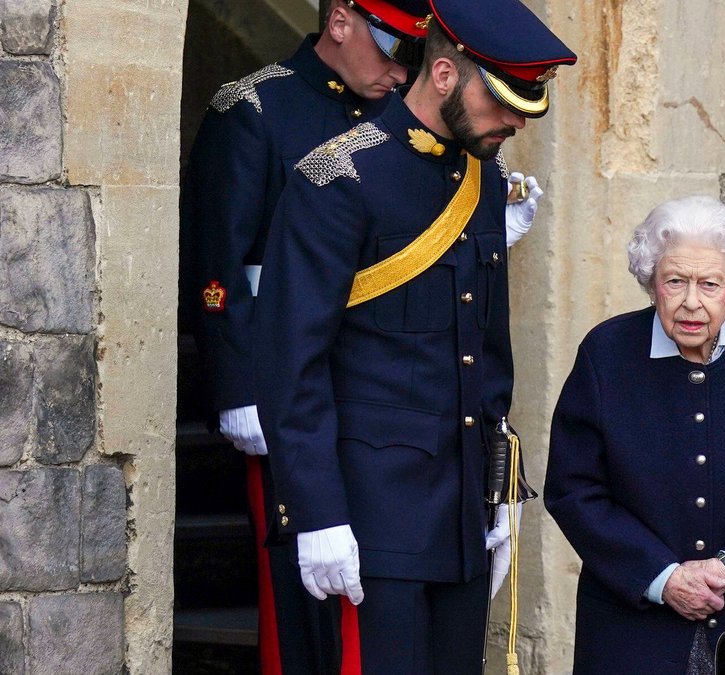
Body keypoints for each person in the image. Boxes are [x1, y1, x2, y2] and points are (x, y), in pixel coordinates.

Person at [183, 0, 546, 670]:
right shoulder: (336, 175)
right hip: (371, 513)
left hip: (459, 513)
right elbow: (295, 356)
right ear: (443, 75)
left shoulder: (483, 181)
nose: (515, 122)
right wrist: (316, 512)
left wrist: (497, 495)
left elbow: (486, 352)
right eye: (500, 102)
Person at [544, 196, 725, 674]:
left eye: (709, 284)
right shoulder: (607, 354)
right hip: (630, 630)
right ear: (652, 283)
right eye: (675, 281)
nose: (691, 302)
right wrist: (662, 578)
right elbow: (575, 490)